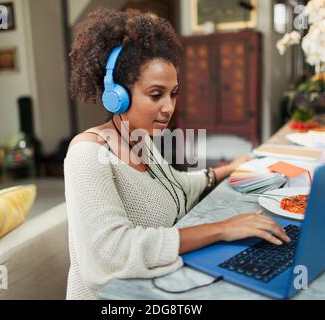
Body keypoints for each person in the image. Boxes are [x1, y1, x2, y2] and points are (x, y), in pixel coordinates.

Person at [64, 8, 290, 300]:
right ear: (116, 95)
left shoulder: (141, 140)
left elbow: (178, 187)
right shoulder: (87, 154)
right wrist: (222, 229)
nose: (169, 107)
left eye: (174, 93)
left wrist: (228, 168)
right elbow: (111, 254)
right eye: (156, 94)